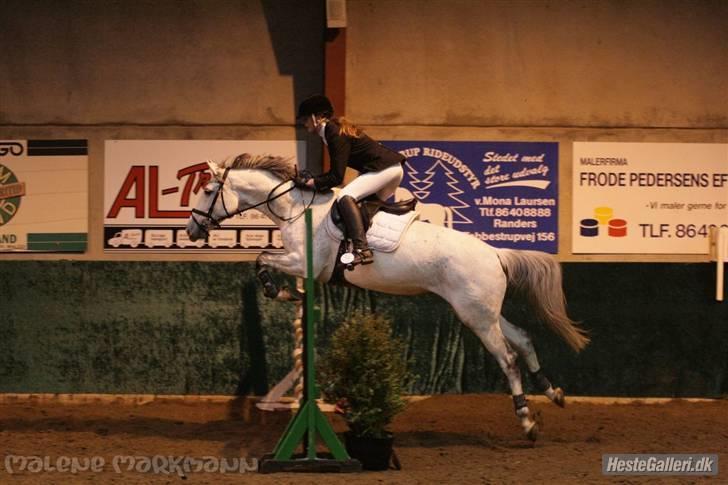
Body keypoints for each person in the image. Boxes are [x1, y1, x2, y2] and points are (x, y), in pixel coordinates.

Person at [296, 94, 405, 266]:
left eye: (304, 119)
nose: (303, 123)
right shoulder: (331, 131)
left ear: (316, 117)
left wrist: (314, 183)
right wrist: (316, 180)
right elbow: (334, 173)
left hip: (385, 170)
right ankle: (374, 247)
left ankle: (363, 250)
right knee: (364, 209)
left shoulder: (333, 131)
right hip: (391, 170)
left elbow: (337, 176)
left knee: (345, 196)